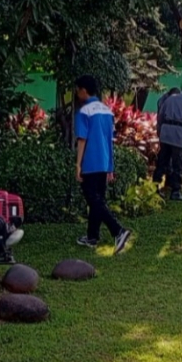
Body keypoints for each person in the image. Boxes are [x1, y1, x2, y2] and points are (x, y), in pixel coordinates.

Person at [73, 75, 132, 254]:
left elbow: (82, 139)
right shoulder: (107, 111)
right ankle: (92, 236)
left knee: (93, 199)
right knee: (98, 199)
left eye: (77, 90)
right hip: (104, 161)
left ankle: (118, 230)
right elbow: (109, 140)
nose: (76, 93)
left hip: (90, 162)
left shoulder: (84, 111)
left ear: (84, 90)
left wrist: (78, 165)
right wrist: (110, 167)